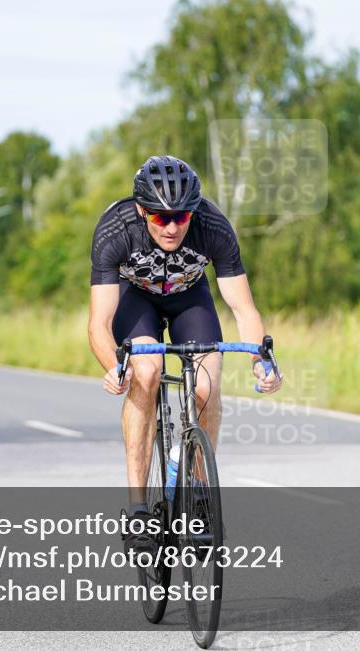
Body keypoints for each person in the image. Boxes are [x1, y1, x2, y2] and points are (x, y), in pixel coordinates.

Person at [88, 155, 281, 550]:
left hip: (189, 298)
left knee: (207, 386)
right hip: (135, 300)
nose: (173, 226)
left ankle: (198, 496)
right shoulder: (115, 230)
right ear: (142, 211)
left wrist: (261, 361)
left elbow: (244, 309)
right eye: (161, 218)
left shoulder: (213, 227)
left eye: (182, 217)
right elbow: (99, 323)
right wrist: (114, 366)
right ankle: (138, 508)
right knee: (146, 372)